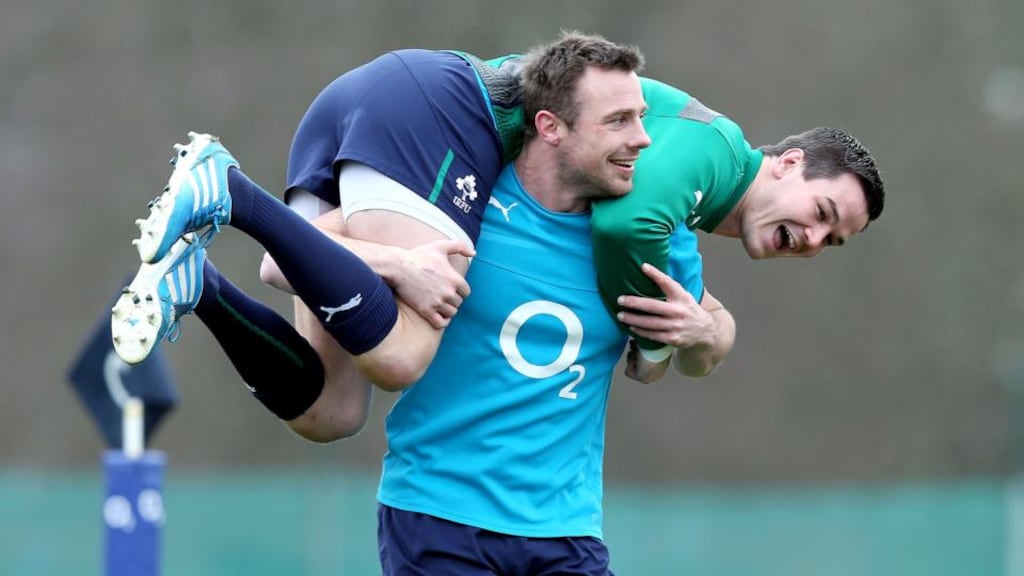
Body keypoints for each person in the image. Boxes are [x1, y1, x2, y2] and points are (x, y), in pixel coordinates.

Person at [372, 36, 885, 574]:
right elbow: (627, 233)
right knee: (336, 407)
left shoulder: (673, 224)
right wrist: (657, 346)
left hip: (563, 530)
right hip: (438, 512)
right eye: (822, 211)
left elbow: (698, 336)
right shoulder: (477, 196)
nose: (813, 238)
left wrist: (699, 334)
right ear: (789, 162)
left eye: (831, 239)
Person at [111, 35, 714, 447]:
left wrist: (704, 332)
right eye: (621, 121)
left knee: (330, 412)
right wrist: (404, 265)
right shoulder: (706, 164)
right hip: (424, 108)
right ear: (786, 165)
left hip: (372, 102)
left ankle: (203, 286)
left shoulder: (658, 167)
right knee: (401, 355)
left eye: (816, 241)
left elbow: (280, 270)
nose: (643, 139)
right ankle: (232, 191)